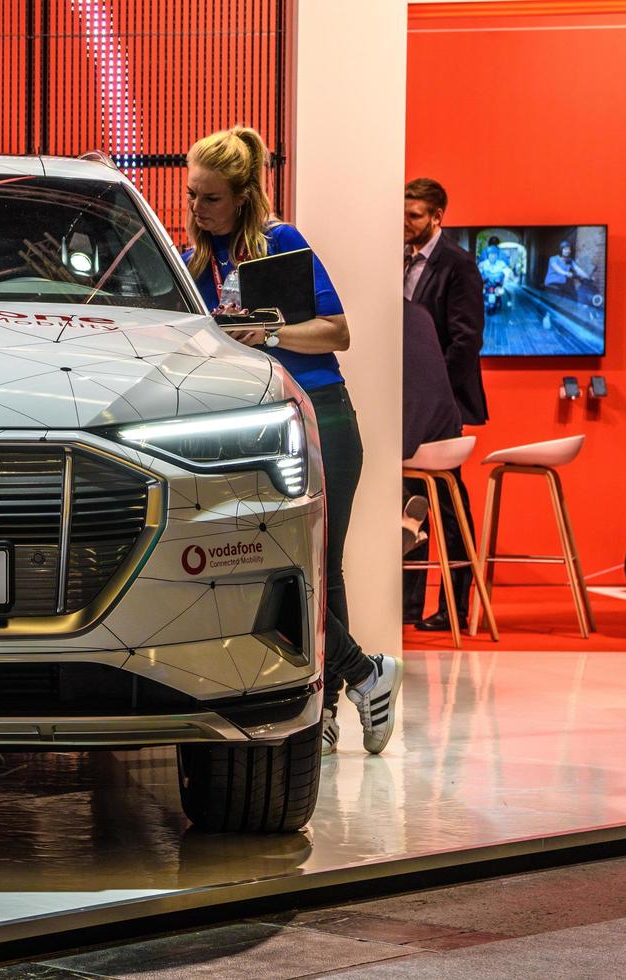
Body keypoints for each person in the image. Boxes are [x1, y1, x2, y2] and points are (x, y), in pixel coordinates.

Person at [183, 126, 403, 757]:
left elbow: (337, 332)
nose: (197, 209)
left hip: (320, 416)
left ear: (244, 196)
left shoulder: (279, 244)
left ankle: (330, 703)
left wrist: (269, 336)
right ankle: (360, 677)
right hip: (254, 425)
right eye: (192, 195)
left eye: (212, 199)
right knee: (273, 562)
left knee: (317, 568)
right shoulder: (195, 260)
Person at [403, 177, 485, 630]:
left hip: (444, 404)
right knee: (412, 504)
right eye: (403, 214)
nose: (405, 223)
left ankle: (456, 605)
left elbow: (466, 341)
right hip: (411, 405)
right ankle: (410, 606)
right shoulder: (398, 258)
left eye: (414, 216)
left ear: (437, 217)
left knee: (449, 510)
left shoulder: (458, 264)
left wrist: (432, 390)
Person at [402, 298, 468, 616]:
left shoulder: (381, 317)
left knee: (384, 473)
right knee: (445, 508)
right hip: (446, 429)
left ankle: (406, 527)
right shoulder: (419, 313)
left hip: (416, 434)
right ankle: (454, 608)